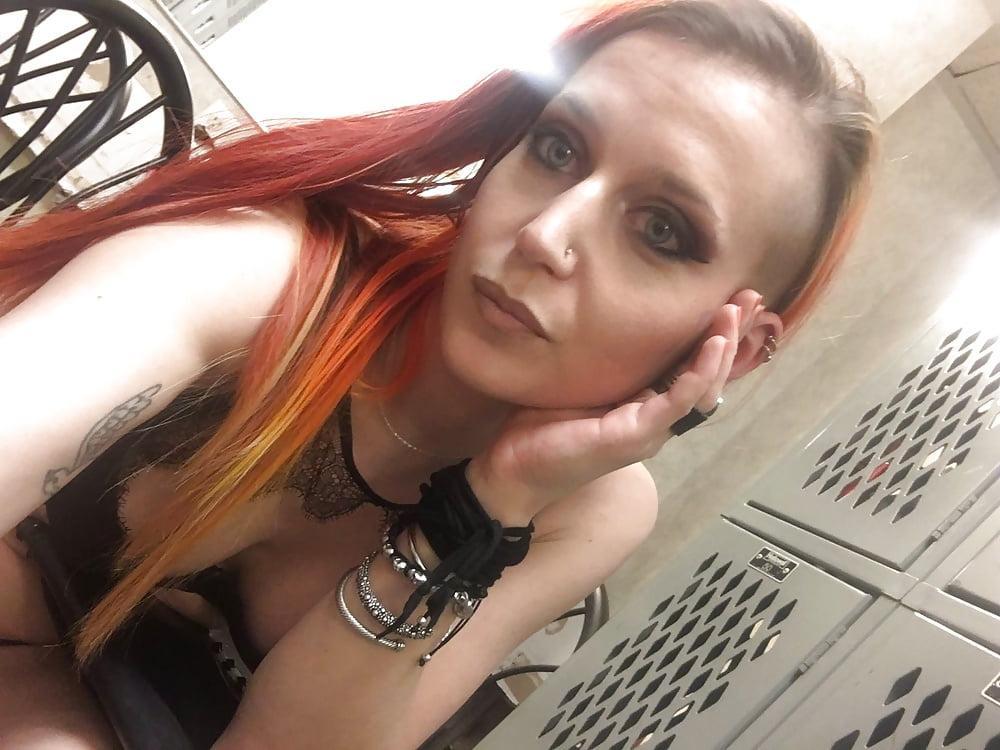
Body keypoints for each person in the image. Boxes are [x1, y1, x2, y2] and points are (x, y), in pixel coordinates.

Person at [0, 0, 879, 747]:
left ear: (733, 345)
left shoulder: (591, 509)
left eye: (662, 231)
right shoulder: (269, 277)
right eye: (558, 149)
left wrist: (487, 511)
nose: (545, 236)